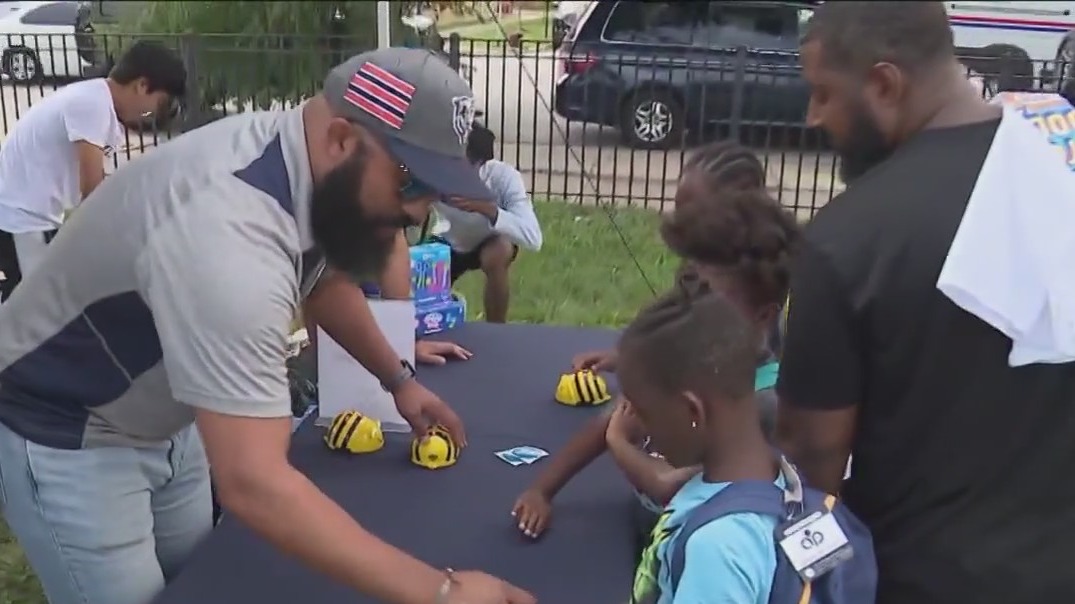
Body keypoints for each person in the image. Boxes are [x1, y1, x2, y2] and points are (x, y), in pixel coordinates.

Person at [0, 47, 533, 604]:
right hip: (70, 430)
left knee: (205, 581)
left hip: (171, 411)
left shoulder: (296, 158)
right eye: (409, 183)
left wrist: (398, 381)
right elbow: (255, 482)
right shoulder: (229, 237)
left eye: (434, 188)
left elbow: (320, 281)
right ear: (344, 141)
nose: (419, 212)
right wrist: (442, 593)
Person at [776, 2, 1075, 602]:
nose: (813, 117)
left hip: (915, 576)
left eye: (824, 94)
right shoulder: (1057, 178)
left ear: (884, 84)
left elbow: (813, 464)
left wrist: (802, 577)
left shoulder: (847, 239)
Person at [512, 146, 799, 541]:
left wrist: (620, 441)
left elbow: (668, 484)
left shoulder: (763, 400)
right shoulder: (715, 293)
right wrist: (543, 488)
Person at [613, 287, 787, 603]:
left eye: (645, 413)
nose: (640, 425)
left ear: (692, 412)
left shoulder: (718, 549)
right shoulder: (781, 473)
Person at [0, 41, 186, 302]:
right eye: (161, 104)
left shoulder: (99, 103)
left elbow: (99, 183)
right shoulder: (92, 105)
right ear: (142, 86)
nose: (154, 114)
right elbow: (93, 192)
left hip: (31, 214)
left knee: (40, 297)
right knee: (35, 302)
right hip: (19, 216)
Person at [571, 141, 773, 371]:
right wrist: (628, 359)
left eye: (692, 213)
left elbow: (710, 360)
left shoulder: (754, 282)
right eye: (678, 207)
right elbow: (679, 322)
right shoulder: (698, 264)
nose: (677, 220)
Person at [432, 121, 543, 323]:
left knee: (498, 251)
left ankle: (497, 327)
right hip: (448, 239)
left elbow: (533, 237)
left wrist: (489, 210)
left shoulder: (504, 177)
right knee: (418, 273)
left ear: (480, 163)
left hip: (489, 242)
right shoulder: (434, 175)